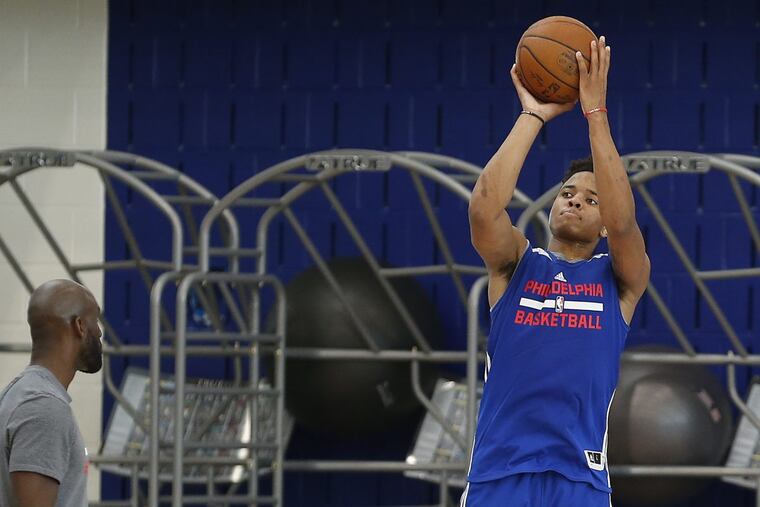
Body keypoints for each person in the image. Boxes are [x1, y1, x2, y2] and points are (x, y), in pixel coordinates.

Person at [462, 36, 650, 506]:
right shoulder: (517, 265)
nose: (575, 201)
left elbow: (625, 221)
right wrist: (534, 116)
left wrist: (595, 115)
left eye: (592, 200)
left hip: (579, 481)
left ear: (604, 224)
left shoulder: (619, 280)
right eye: (568, 193)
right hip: (500, 473)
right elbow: (484, 211)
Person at [0, 279, 103, 507]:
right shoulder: (44, 407)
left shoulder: (20, 393)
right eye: (95, 320)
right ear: (80, 326)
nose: (100, 331)